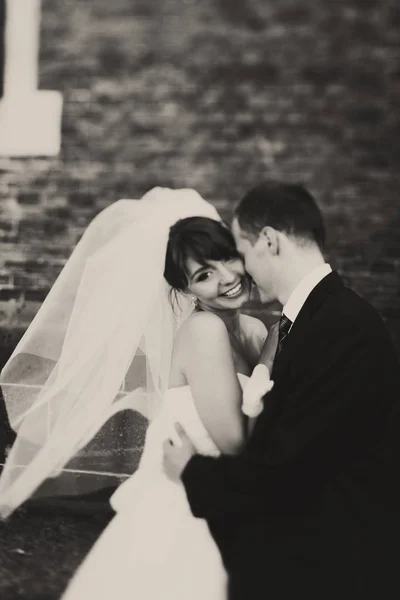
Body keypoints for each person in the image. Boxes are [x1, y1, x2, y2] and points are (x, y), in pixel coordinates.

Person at [0, 188, 274, 600]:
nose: (227, 277)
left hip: (230, 497)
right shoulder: (204, 332)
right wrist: (277, 346)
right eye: (203, 275)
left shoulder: (251, 330)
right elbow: (235, 441)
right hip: (188, 507)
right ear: (186, 291)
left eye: (226, 258)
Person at [164, 180, 400, 600]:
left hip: (336, 558)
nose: (237, 272)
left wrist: (192, 471)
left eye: (236, 253)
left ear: (268, 242)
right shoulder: (313, 320)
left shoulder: (338, 326)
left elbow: (289, 460)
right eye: (205, 272)